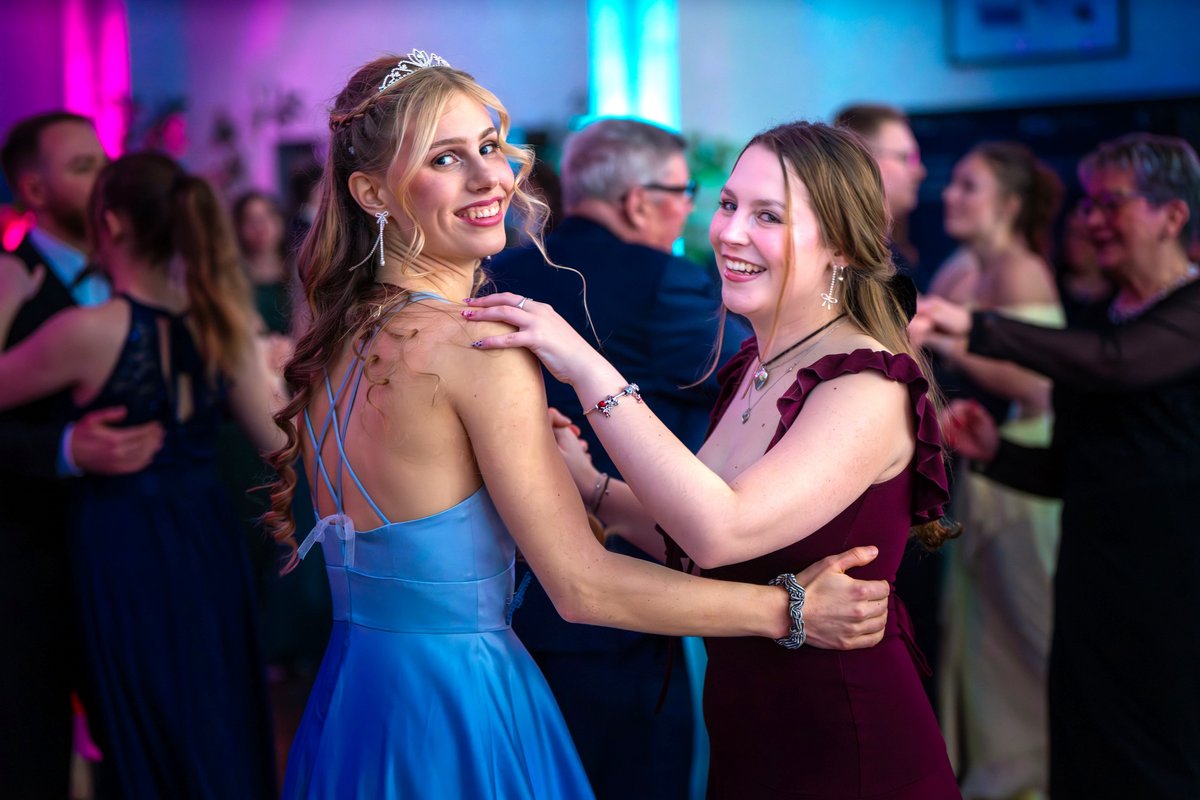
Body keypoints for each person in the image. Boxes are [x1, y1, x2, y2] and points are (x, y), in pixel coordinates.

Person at [265, 54, 894, 799]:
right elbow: (581, 586)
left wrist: (584, 481)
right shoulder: (478, 347)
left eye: (490, 146)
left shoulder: (338, 340)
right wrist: (790, 610)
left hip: (355, 699)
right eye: (445, 158)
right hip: (460, 705)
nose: (491, 178)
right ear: (371, 192)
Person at [467, 120, 961, 798]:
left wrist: (586, 366)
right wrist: (592, 487)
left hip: (847, 743)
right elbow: (700, 548)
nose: (729, 232)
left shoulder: (866, 384)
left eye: (768, 216)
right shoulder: (755, 366)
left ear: (842, 246)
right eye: (729, 204)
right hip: (752, 730)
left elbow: (719, 531)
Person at [915, 133, 1200, 799]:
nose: (1091, 220)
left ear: (1172, 216)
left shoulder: (1185, 310)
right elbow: (1074, 471)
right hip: (1093, 580)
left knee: (1163, 755)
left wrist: (976, 328)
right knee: (1085, 746)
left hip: (1175, 588)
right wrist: (997, 452)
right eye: (1088, 204)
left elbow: (1117, 364)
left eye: (1111, 204)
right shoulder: (1100, 316)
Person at [0, 151, 283, 799]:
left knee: (142, 716)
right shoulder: (220, 323)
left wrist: (7, 297)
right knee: (214, 705)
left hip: (123, 538)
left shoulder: (87, 331)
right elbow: (279, 443)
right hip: (206, 536)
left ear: (112, 224)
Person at [489, 117, 747, 799]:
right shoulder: (669, 285)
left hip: (506, 591)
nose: (690, 208)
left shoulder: (495, 276)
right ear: (638, 201)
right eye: (685, 192)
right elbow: (756, 387)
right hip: (626, 595)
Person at [0, 111, 163, 799]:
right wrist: (65, 448)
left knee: (139, 748)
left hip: (135, 556)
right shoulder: (12, 280)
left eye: (103, 161)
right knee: (30, 755)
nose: (104, 178)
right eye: (81, 166)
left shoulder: (138, 273)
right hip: (34, 562)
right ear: (34, 190)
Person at [924, 141, 1064, 798]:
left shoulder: (1023, 271)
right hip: (972, 464)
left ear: (1008, 204)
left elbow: (1039, 388)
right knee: (978, 635)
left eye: (969, 186)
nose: (950, 196)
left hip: (1022, 467)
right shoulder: (958, 268)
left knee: (1025, 631)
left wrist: (944, 338)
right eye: (952, 183)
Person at [834, 103, 927, 274]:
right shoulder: (850, 260)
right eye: (907, 158)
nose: (920, 171)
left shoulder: (894, 256)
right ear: (865, 160)